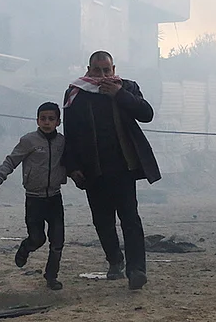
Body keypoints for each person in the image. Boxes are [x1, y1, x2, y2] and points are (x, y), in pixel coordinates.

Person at [62, 51, 161, 291]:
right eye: (98, 70)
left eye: (107, 70)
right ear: (89, 69)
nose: (103, 75)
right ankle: (115, 260)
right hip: (92, 169)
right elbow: (70, 132)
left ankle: (137, 270)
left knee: (130, 218)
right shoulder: (77, 92)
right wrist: (72, 167)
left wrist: (119, 95)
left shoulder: (126, 88)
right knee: (103, 221)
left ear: (114, 69)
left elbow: (146, 114)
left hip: (124, 167)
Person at [0, 102, 66, 290]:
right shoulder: (29, 141)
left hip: (55, 197)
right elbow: (12, 160)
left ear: (58, 121)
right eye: (43, 118)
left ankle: (51, 276)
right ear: (37, 120)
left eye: (51, 119)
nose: (47, 122)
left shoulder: (62, 142)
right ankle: (26, 248)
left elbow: (71, 162)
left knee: (57, 241)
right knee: (37, 238)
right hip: (34, 199)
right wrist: (0, 176)